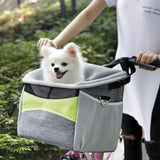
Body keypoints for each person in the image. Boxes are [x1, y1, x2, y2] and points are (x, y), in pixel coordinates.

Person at [37, 0, 160, 159]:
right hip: (125, 76)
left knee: (155, 147)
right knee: (130, 140)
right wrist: (55, 42)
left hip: (155, 79)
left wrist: (157, 57)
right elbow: (88, 14)